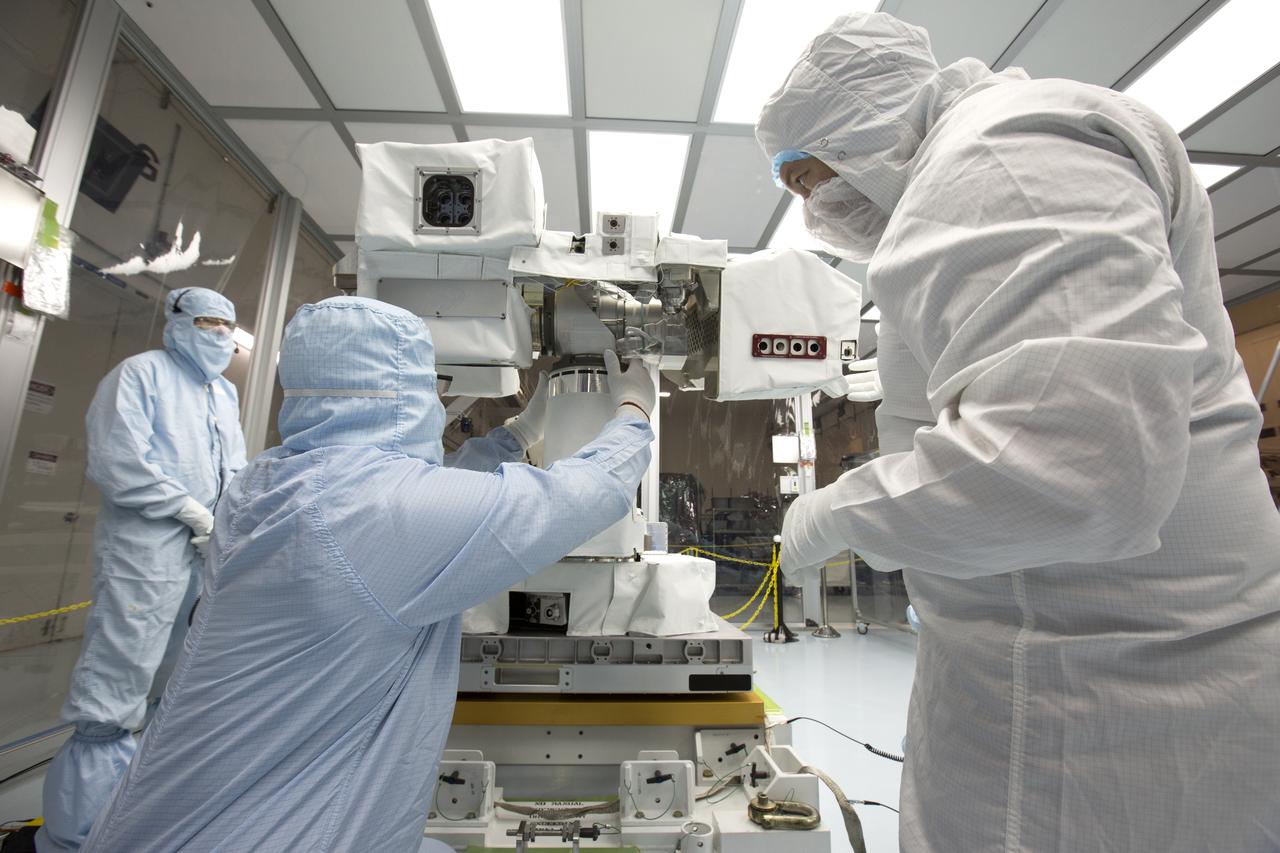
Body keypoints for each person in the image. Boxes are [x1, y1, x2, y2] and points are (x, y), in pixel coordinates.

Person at [760, 12, 1280, 851]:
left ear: (858, 127)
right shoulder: (964, 180)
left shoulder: (1003, 158)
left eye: (806, 179)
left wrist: (832, 514)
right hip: (1057, 673)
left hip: (1115, 711)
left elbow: (1074, 470)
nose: (811, 208)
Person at [80, 296, 655, 852]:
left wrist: (519, 435)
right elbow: (576, 497)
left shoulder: (271, 482)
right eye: (430, 383)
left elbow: (417, 495)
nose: (437, 398)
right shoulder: (369, 509)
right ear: (398, 389)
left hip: (173, 821)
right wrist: (634, 412)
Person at [36, 288, 247, 853]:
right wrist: (191, 510)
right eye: (208, 322)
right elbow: (120, 461)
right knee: (118, 679)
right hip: (144, 552)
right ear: (178, 322)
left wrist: (229, 521)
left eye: (228, 327)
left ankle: (141, 819)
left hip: (203, 552)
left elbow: (234, 469)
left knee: (174, 681)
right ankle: (79, 835)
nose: (221, 335)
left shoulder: (223, 393)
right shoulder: (139, 375)